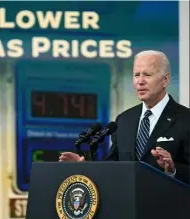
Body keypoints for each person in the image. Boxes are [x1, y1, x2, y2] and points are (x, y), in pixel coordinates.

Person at [59, 50, 190, 184]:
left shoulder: (186, 119)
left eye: (147, 75)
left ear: (165, 80)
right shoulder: (124, 120)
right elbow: (112, 170)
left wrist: (172, 170)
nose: (140, 81)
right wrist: (85, 168)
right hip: (127, 203)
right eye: (136, 75)